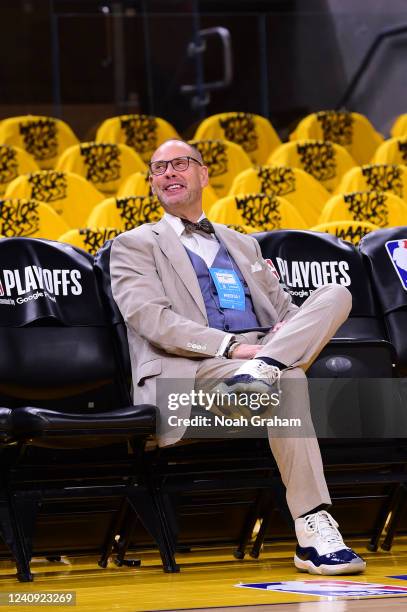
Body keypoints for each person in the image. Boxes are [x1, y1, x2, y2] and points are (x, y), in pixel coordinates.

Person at [110, 138, 366, 576]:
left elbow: (287, 313)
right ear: (152, 183)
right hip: (195, 372)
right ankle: (312, 527)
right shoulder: (134, 245)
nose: (168, 173)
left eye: (179, 164)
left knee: (335, 295)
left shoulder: (243, 244)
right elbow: (150, 319)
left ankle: (266, 367)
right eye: (158, 169)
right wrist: (231, 347)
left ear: (204, 174)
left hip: (258, 364)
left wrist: (271, 348)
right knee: (289, 379)